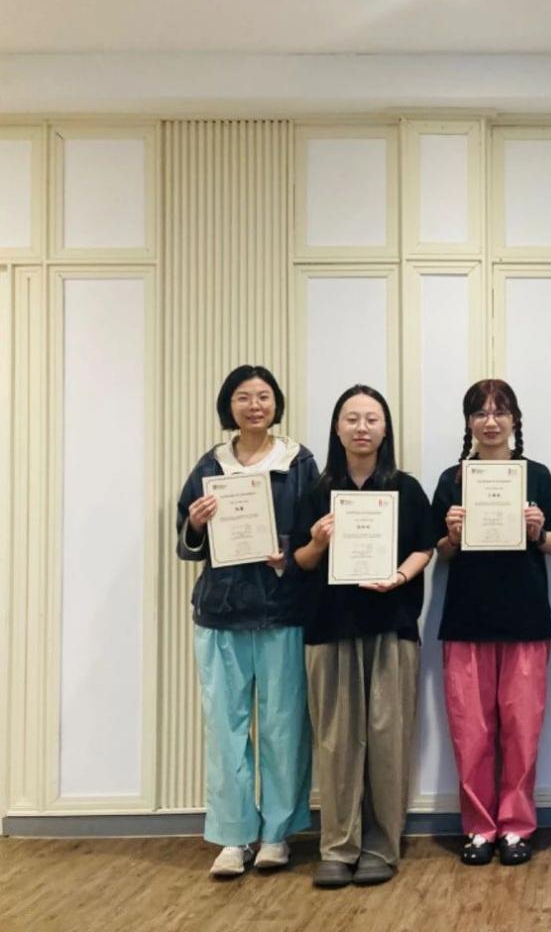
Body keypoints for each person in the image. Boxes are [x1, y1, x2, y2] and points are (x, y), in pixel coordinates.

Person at [176, 364, 316, 878]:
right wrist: (195, 523)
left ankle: (277, 834)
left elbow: (317, 531)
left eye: (263, 396)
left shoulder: (299, 462)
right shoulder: (209, 464)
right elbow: (187, 540)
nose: (254, 406)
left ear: (276, 403)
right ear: (228, 406)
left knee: (283, 727)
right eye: (243, 397)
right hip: (221, 613)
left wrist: (288, 551)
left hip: (282, 612)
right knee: (225, 731)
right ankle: (234, 837)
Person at [292, 385, 435, 888]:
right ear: (337, 428)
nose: (361, 428)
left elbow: (425, 548)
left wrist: (399, 576)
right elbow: (299, 562)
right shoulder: (316, 491)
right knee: (335, 741)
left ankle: (381, 845)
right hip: (329, 629)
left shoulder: (406, 488)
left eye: (371, 419)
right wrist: (317, 541)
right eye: (351, 418)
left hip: (391, 626)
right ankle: (337, 846)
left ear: (385, 428)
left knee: (387, 739)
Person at [432, 379, 551, 867]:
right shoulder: (452, 479)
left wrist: (537, 530)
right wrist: (451, 534)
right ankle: (478, 828)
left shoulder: (538, 476)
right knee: (471, 732)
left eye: (500, 412)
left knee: (522, 731)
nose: (491, 422)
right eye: (480, 413)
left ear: (515, 420)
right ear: (468, 422)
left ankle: (515, 827)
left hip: (525, 620)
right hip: (466, 621)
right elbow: (439, 552)